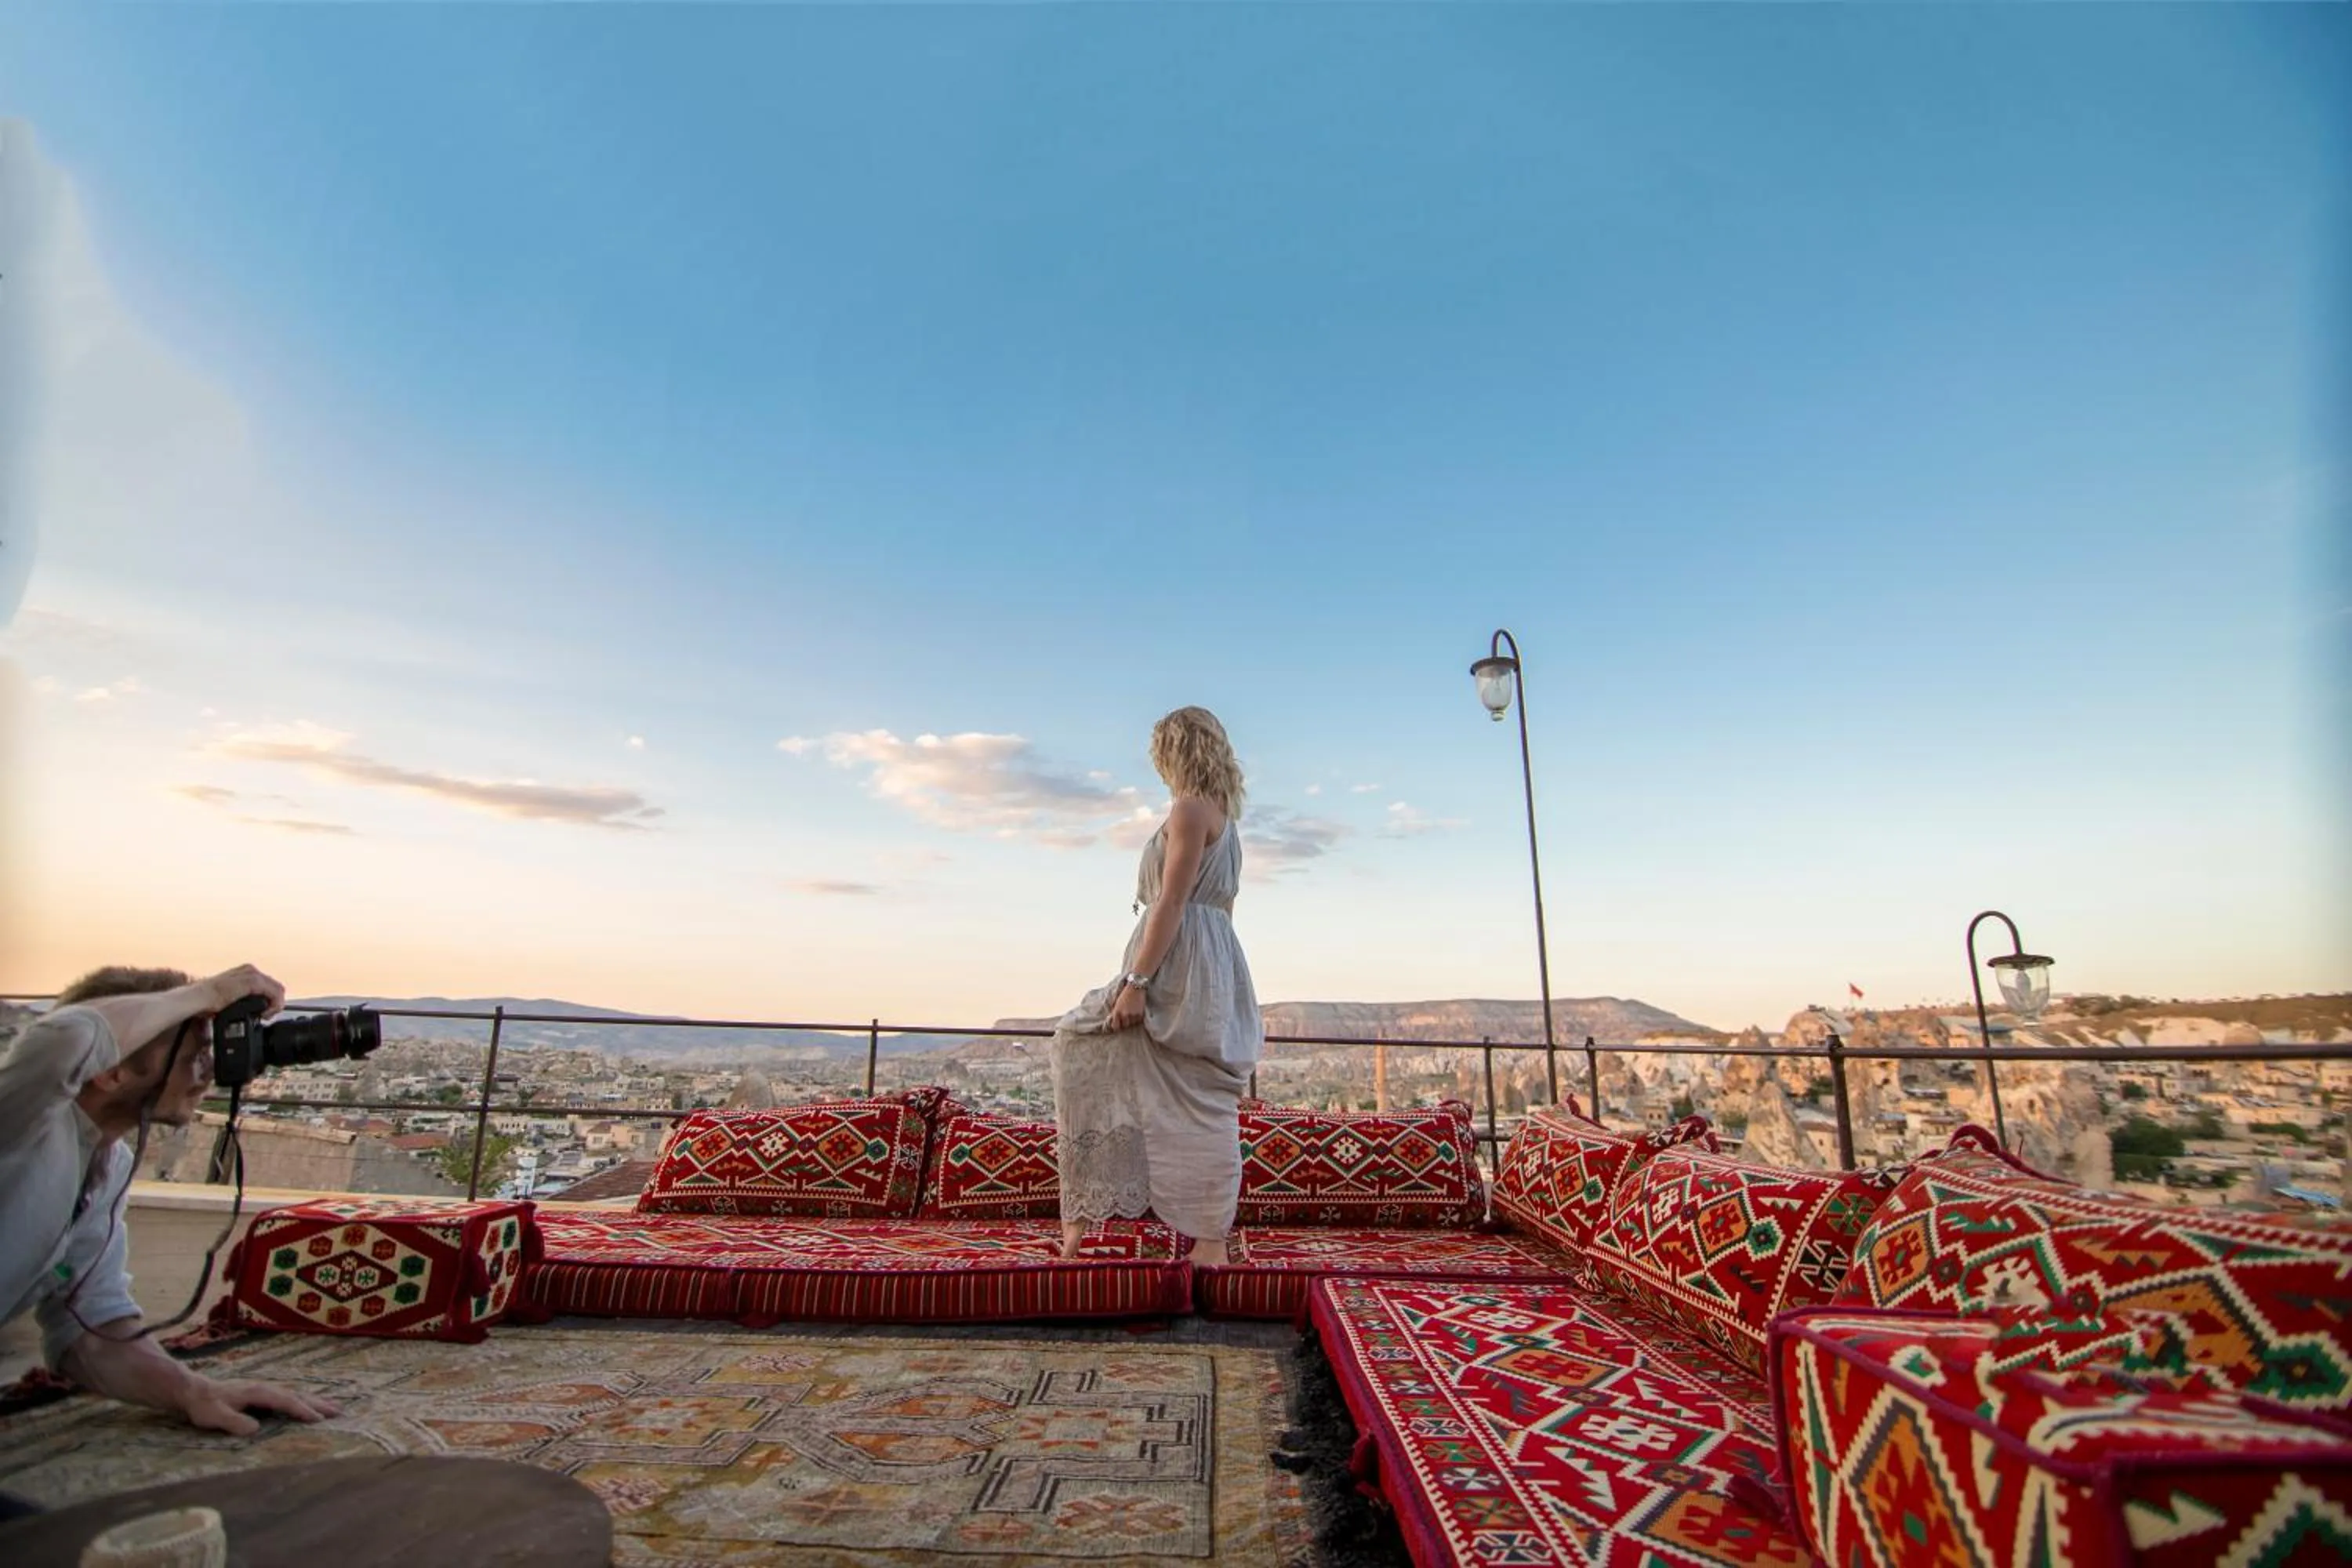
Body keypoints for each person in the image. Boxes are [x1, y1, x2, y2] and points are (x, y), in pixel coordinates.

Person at [0, 963, 342, 1445]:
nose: (208, 1073)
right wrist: (207, 993)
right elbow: (67, 1036)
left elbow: (91, 1330)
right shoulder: (23, 1123)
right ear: (110, 1069)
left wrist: (192, 1392)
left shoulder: (107, 1161)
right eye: (193, 1053)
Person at [1051, 706, 1263, 1267]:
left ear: (1176, 750)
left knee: (1079, 1041)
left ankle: (1084, 1224)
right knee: (1204, 1097)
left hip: (1174, 957)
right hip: (1212, 960)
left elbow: (1171, 900)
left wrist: (1138, 982)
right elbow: (1226, 906)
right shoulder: (1227, 819)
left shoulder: (1190, 808)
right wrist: (1216, 985)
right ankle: (1205, 1241)